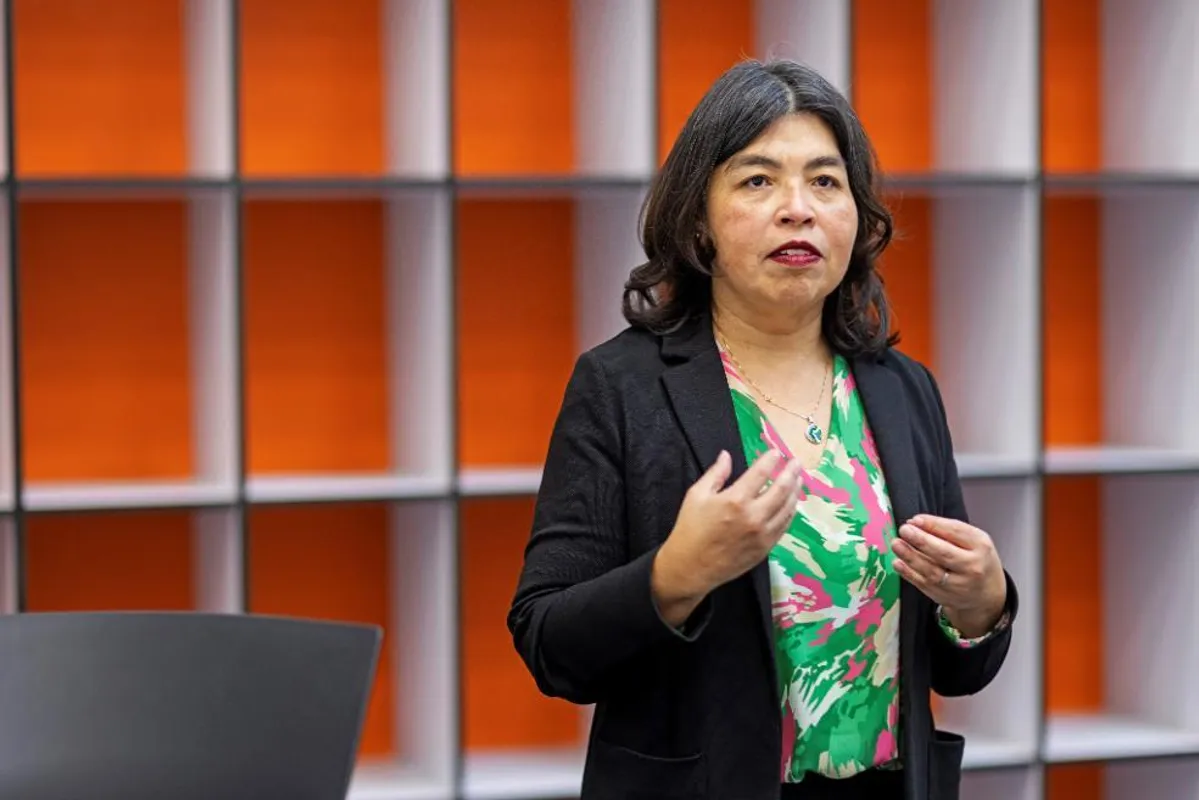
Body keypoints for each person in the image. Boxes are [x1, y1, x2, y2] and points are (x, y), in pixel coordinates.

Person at [506, 58, 1019, 800]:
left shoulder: (902, 389)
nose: (797, 209)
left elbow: (955, 670)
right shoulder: (620, 386)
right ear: (698, 220)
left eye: (825, 182)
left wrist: (981, 605)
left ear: (857, 216)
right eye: (757, 181)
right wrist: (675, 575)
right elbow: (549, 645)